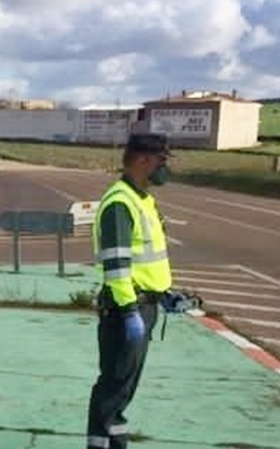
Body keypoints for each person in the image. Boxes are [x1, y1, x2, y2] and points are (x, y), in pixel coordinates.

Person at [85, 132, 179, 449]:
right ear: (142, 160)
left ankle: (115, 443)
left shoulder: (143, 199)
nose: (165, 168)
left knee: (124, 387)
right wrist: (128, 312)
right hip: (127, 309)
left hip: (144, 306)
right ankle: (99, 445)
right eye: (162, 161)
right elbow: (116, 265)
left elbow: (146, 258)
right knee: (113, 385)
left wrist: (163, 292)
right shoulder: (119, 203)